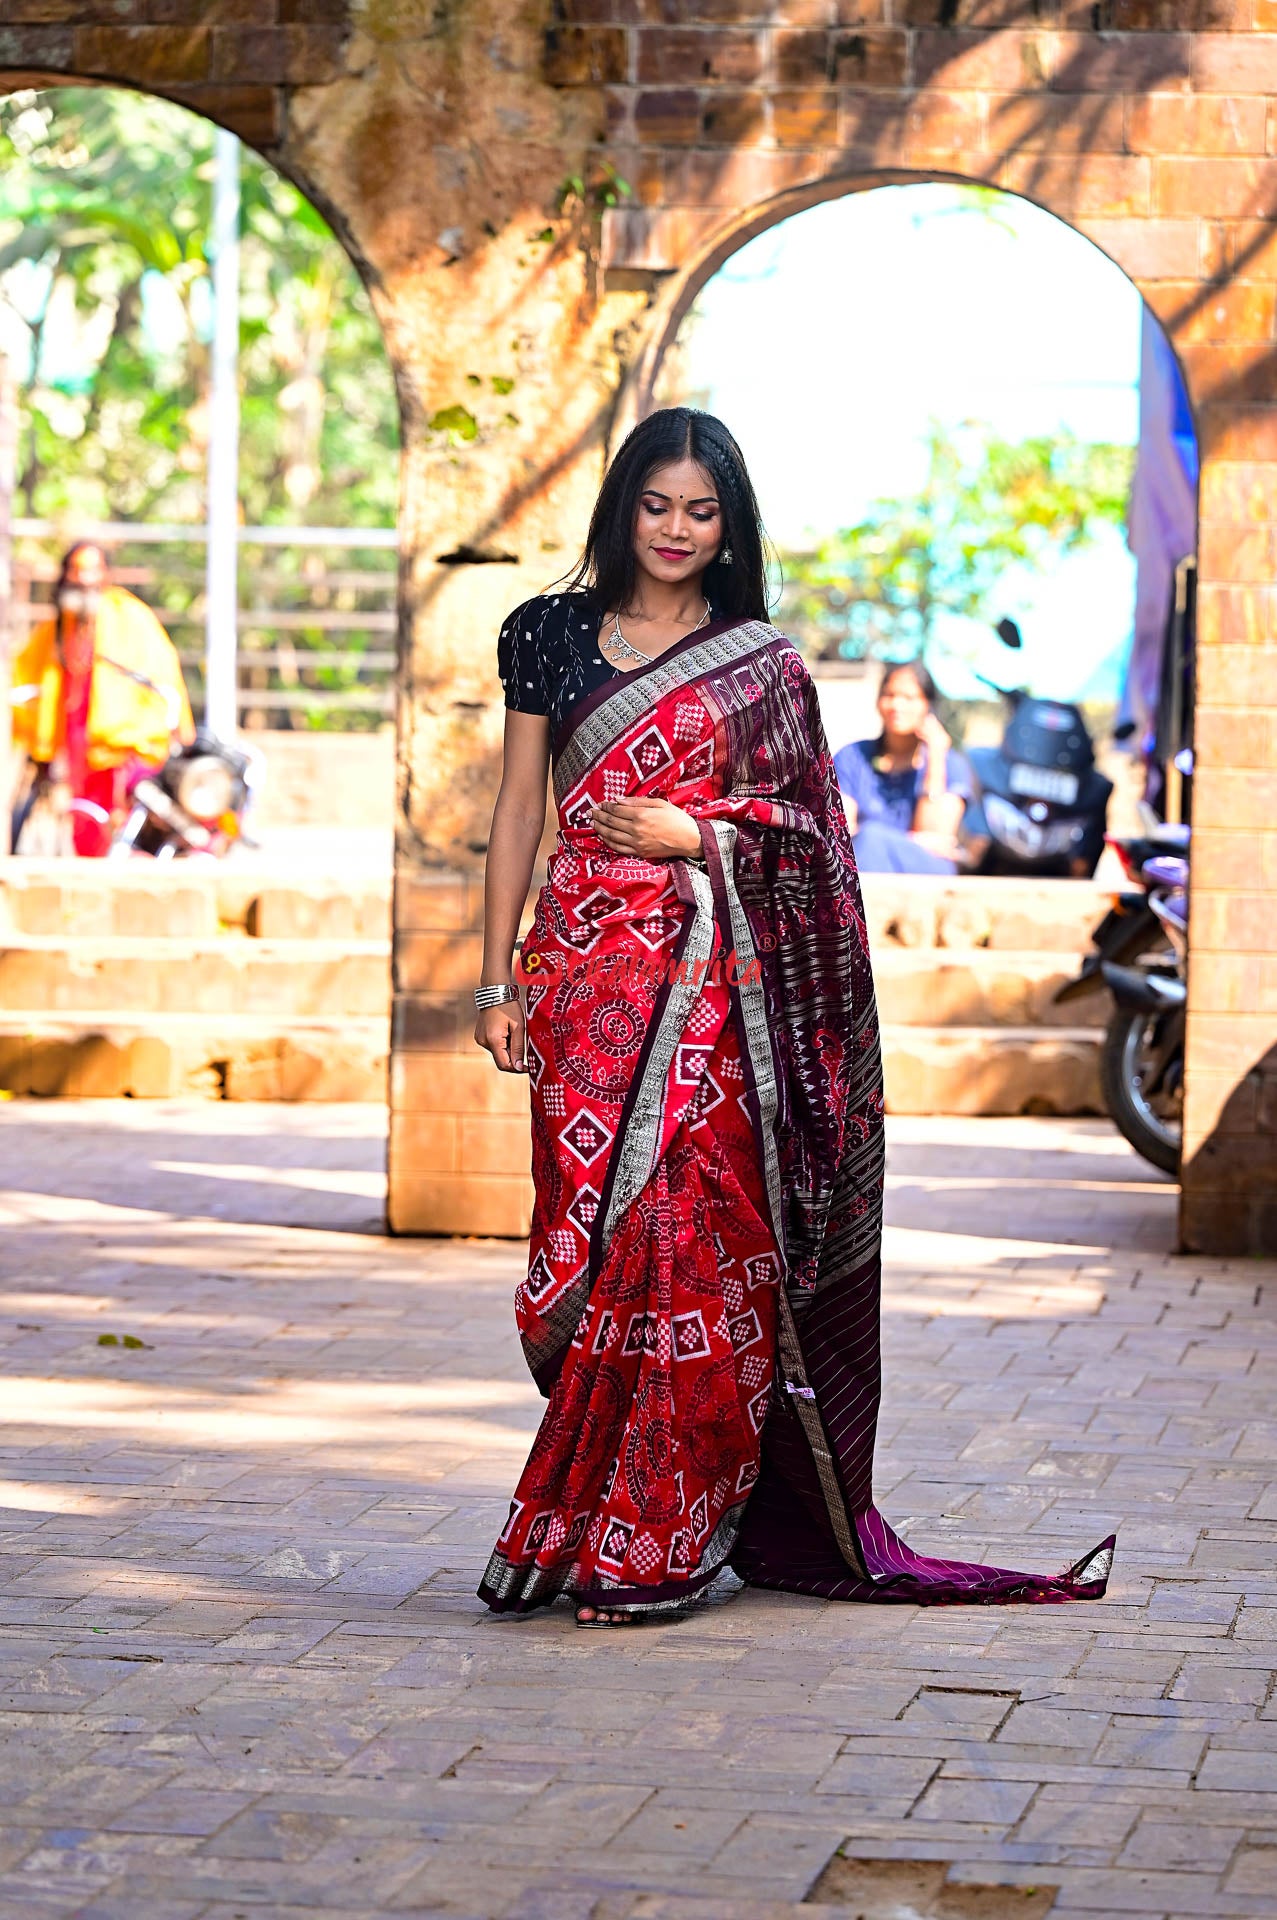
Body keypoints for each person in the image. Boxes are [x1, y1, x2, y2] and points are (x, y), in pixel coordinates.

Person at [474, 406, 1114, 1626]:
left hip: (717, 996)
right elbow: (516, 813)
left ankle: (664, 1532)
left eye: (700, 512)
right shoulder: (544, 634)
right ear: (621, 507)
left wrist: (693, 834)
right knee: (591, 1255)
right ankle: (579, 1513)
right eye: (656, 505)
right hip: (579, 986)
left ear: (729, 528)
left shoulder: (759, 662)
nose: (674, 529)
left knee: (696, 1249)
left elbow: (814, 839)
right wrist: (494, 981)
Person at [10, 541, 194, 856]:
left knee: (127, 825)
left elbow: (162, 674)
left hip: (125, 744)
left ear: (105, 574)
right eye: (76, 570)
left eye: (92, 570)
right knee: (85, 824)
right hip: (78, 741)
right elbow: (25, 675)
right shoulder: (57, 626)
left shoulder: (130, 616)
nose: (84, 579)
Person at [833, 660, 976, 875]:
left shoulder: (950, 764)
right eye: (889, 695)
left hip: (922, 870)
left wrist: (936, 759)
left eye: (909, 698)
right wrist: (910, 839)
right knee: (868, 842)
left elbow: (935, 835)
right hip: (861, 862)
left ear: (928, 705)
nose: (897, 706)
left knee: (870, 839)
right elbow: (838, 832)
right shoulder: (852, 757)